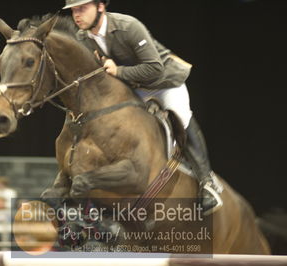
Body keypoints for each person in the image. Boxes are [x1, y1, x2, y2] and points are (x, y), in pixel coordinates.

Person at [63, 0, 223, 215]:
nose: (77, 15)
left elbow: (154, 68)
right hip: (134, 88)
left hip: (164, 83)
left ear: (100, 6)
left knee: (181, 118)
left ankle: (207, 183)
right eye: (73, 10)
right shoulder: (83, 37)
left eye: (82, 8)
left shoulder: (128, 26)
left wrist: (118, 72)